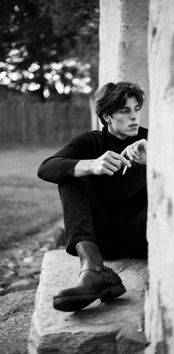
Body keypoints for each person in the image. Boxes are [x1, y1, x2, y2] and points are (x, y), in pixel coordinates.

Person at [37, 81, 148, 312]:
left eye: (137, 109)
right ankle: (93, 270)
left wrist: (155, 160)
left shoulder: (150, 140)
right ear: (107, 116)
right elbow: (46, 168)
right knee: (69, 175)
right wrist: (91, 165)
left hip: (144, 234)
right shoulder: (90, 141)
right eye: (125, 111)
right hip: (103, 239)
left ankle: (98, 275)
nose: (134, 117)